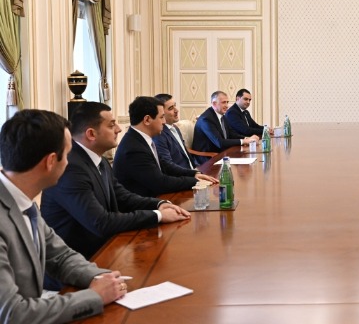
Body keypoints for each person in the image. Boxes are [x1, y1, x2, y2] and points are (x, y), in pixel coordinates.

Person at [0, 109, 128, 322]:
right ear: (51, 161)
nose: (69, 162)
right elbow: (12, 314)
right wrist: (95, 296)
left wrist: (102, 278)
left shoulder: (22, 200)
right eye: (67, 155)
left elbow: (61, 257)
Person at [41, 102, 191, 262]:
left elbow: (123, 197)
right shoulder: (70, 168)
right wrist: (158, 216)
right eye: (112, 125)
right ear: (91, 134)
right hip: (76, 264)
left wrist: (159, 205)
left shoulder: (100, 160)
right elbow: (101, 222)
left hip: (105, 251)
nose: (119, 129)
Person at [113, 96, 216, 197]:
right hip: (144, 203)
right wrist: (195, 181)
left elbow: (165, 165)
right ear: (147, 120)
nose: (164, 122)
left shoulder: (141, 139)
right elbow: (160, 183)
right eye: (161, 117)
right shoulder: (134, 149)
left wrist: (194, 174)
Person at [191, 91, 259, 165]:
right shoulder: (206, 119)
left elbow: (231, 134)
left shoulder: (221, 116)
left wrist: (247, 138)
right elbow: (220, 143)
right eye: (223, 102)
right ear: (214, 103)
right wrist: (244, 141)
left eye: (227, 102)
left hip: (221, 154)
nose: (227, 106)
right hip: (207, 159)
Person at [153, 93, 198, 171]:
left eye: (175, 106)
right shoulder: (159, 134)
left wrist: (196, 171)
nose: (176, 110)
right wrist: (193, 174)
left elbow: (185, 156)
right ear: (161, 112)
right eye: (171, 108)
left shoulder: (175, 128)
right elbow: (168, 166)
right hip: (181, 176)